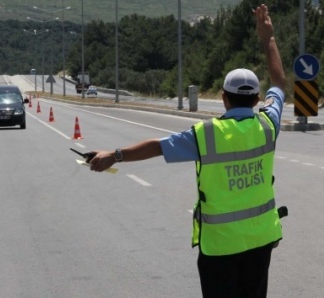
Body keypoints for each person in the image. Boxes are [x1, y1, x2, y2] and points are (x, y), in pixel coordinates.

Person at [88, 4, 286, 298]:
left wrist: (113, 155)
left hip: (220, 247)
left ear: (222, 98)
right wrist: (267, 37)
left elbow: (157, 146)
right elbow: (280, 83)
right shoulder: (268, 124)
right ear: (257, 99)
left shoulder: (206, 135)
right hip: (260, 242)